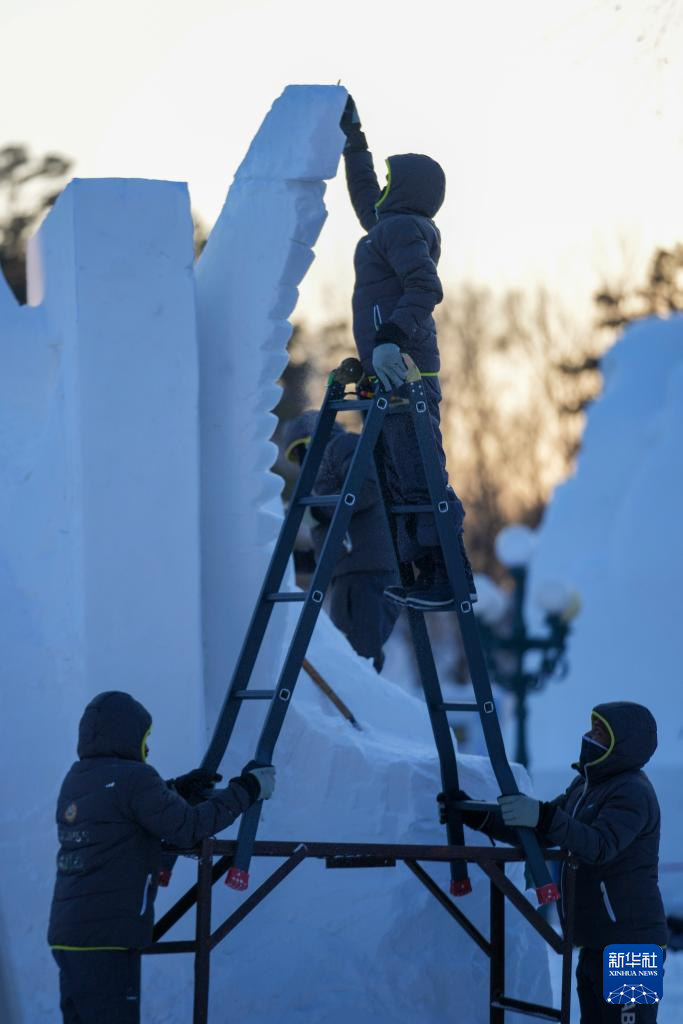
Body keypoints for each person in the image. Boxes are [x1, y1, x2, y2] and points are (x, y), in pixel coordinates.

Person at [48, 690, 276, 1024]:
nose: (148, 749)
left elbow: (123, 807)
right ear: (127, 735)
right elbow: (188, 827)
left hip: (69, 934)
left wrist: (178, 788)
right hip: (108, 937)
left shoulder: (78, 778)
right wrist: (247, 789)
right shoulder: (136, 779)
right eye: (145, 738)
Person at [439, 701, 667, 1023]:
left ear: (623, 743)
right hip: (595, 942)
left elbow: (599, 845)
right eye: (591, 728)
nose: (588, 736)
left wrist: (544, 816)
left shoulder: (632, 792)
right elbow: (541, 830)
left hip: (631, 947)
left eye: (600, 732)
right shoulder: (584, 787)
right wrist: (477, 816)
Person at [339, 94, 475, 610]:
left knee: (418, 472)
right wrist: (354, 141)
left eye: (389, 181)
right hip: (389, 369)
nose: (381, 189)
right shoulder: (387, 225)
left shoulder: (400, 229)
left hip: (408, 368)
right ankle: (418, 570)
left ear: (406, 190)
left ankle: (448, 572)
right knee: (395, 474)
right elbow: (364, 195)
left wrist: (391, 336)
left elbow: (425, 287)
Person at [283, 410, 400, 672]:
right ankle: (361, 696)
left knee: (357, 657)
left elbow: (365, 488)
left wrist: (317, 511)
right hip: (356, 572)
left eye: (300, 453)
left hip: (367, 573)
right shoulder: (325, 474)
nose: (302, 464)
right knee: (351, 657)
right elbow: (340, 543)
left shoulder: (343, 446)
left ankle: (364, 698)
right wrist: (297, 561)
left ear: (310, 443)